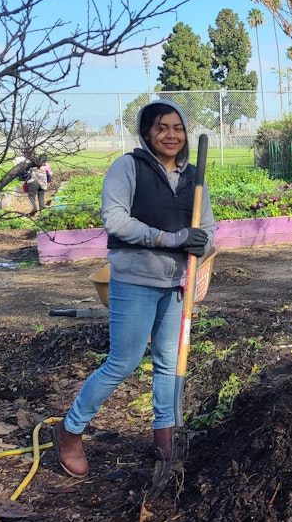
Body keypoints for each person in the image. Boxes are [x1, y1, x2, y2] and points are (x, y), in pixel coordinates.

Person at [52, 99, 215, 478]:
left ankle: (165, 435)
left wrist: (200, 245)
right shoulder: (129, 168)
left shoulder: (194, 178)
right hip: (135, 281)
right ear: (146, 134)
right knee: (123, 363)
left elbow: (208, 229)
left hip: (177, 284)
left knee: (169, 363)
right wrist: (168, 239)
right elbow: (115, 221)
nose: (171, 134)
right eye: (161, 127)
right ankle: (70, 431)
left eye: (177, 128)